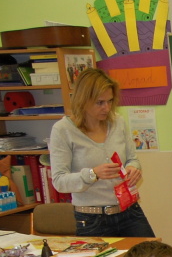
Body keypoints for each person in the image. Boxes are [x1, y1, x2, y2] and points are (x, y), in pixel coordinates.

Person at [49, 68, 155, 237]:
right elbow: (59, 181)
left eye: (110, 101)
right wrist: (93, 174)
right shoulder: (63, 130)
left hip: (129, 211)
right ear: (83, 100)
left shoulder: (118, 122)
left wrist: (134, 168)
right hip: (92, 219)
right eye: (100, 102)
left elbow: (132, 159)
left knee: (152, 253)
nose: (106, 108)